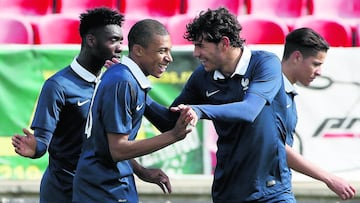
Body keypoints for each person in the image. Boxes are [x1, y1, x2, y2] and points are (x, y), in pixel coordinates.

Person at [167, 7, 295, 202]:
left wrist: (199, 110)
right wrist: (138, 91)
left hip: (272, 192)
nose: (195, 53)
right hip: (228, 192)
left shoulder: (265, 63)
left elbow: (249, 111)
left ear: (224, 43)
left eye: (201, 46)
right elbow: (169, 121)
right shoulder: (202, 76)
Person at [72, 19, 194, 203]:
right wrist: (174, 135)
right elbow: (118, 149)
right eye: (162, 51)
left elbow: (109, 144)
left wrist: (141, 171)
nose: (169, 58)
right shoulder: (122, 82)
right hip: (102, 189)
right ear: (138, 50)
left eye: (169, 50)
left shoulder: (127, 79)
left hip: (114, 183)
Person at [11, 7, 124, 202]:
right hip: (63, 192)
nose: (120, 47)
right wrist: (35, 148)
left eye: (121, 41)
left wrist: (142, 171)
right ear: (91, 40)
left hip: (98, 190)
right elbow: (42, 142)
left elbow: (115, 143)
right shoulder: (57, 85)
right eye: (113, 40)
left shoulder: (112, 83)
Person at [281, 27, 356, 200]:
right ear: (297, 57)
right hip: (263, 191)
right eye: (316, 63)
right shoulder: (270, 92)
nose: (320, 72)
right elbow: (275, 146)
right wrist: (329, 178)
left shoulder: (284, 91)